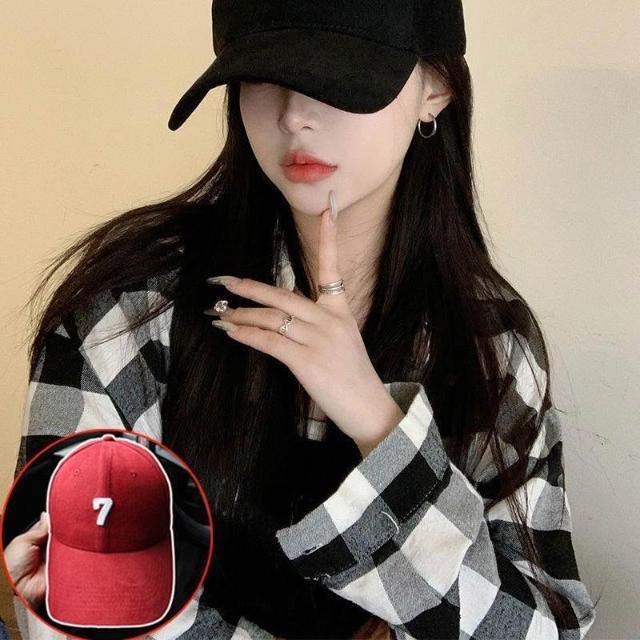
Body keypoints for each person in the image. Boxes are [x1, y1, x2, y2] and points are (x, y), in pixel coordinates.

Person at [10, 0, 598, 638]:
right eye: (262, 75)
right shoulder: (132, 304)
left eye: (337, 73)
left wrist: (377, 422)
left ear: (434, 88)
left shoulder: (490, 344)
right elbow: (79, 606)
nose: (294, 115)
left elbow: (539, 629)